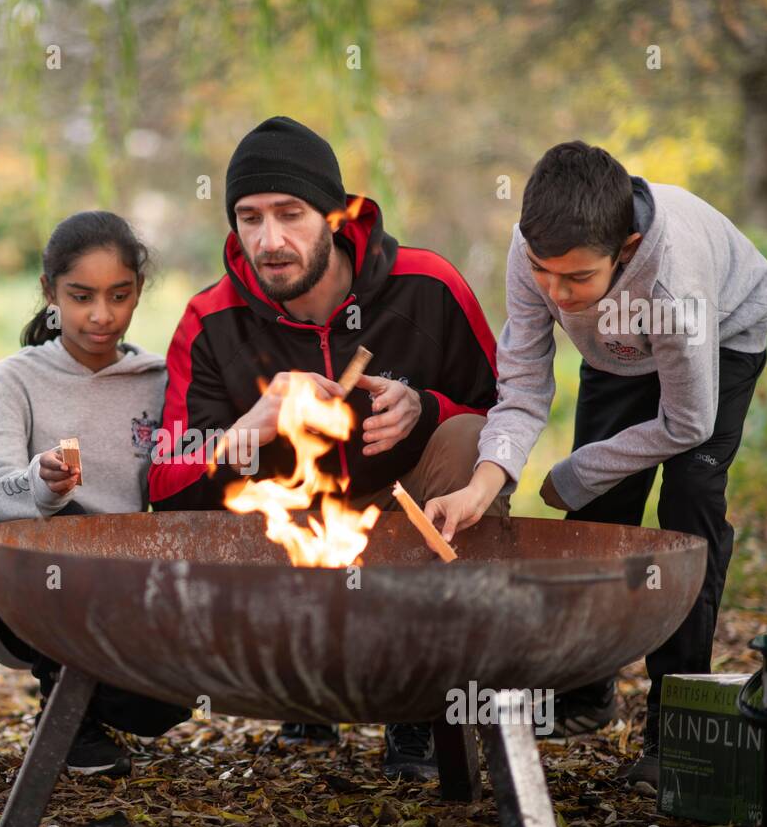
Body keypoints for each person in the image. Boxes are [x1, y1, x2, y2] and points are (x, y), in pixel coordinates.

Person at [148, 116, 507, 781]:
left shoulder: (428, 284)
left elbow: (506, 418)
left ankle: (422, 700)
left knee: (471, 437)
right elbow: (165, 486)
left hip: (403, 517)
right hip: (287, 535)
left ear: (335, 215)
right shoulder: (210, 317)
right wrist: (249, 427)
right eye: (249, 218)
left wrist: (429, 407)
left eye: (290, 214)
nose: (269, 240)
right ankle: (305, 686)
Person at [425, 141, 767, 786]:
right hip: (618, 352)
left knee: (688, 509)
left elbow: (688, 421)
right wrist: (484, 482)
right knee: (600, 514)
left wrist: (577, 470)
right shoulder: (533, 250)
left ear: (628, 248)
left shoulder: (673, 278)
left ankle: (678, 722)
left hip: (721, 337)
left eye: (576, 278)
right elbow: (526, 384)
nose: (557, 293)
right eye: (543, 271)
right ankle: (586, 692)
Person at [0, 211, 190, 777]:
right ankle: (66, 717)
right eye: (81, 296)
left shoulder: (159, 381)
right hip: (24, 584)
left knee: (165, 706)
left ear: (139, 292)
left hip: (127, 582)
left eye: (120, 295)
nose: (101, 316)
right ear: (50, 293)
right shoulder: (9, 383)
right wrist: (41, 483)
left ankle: (90, 699)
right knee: (74, 523)